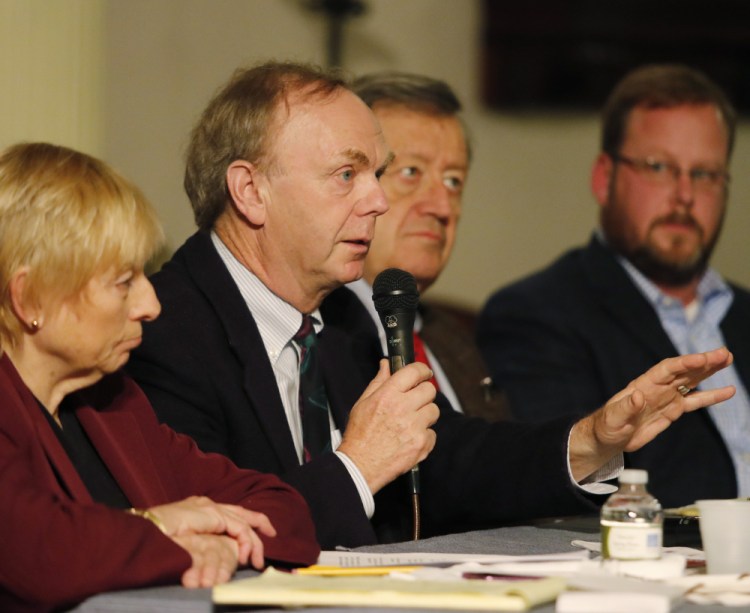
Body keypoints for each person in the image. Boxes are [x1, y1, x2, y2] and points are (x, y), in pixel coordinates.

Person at [127, 61, 734, 550]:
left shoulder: (341, 318)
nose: (377, 201)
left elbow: (454, 458)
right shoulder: (163, 330)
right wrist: (357, 467)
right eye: (347, 175)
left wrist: (593, 438)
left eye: (379, 174)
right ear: (250, 191)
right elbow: (214, 528)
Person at [0, 142, 318, 612]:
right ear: (29, 300)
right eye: (123, 283)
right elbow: (42, 550)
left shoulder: (112, 403)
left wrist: (225, 546)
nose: (151, 306)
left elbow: (282, 509)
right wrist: (161, 525)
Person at [477, 63, 747, 508]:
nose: (684, 195)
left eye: (704, 174)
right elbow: (557, 495)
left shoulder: (743, 314)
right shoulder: (536, 314)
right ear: (605, 179)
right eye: (659, 167)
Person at [346, 71, 508, 423]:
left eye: (453, 181)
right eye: (411, 172)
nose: (442, 206)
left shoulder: (453, 339)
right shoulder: (317, 332)